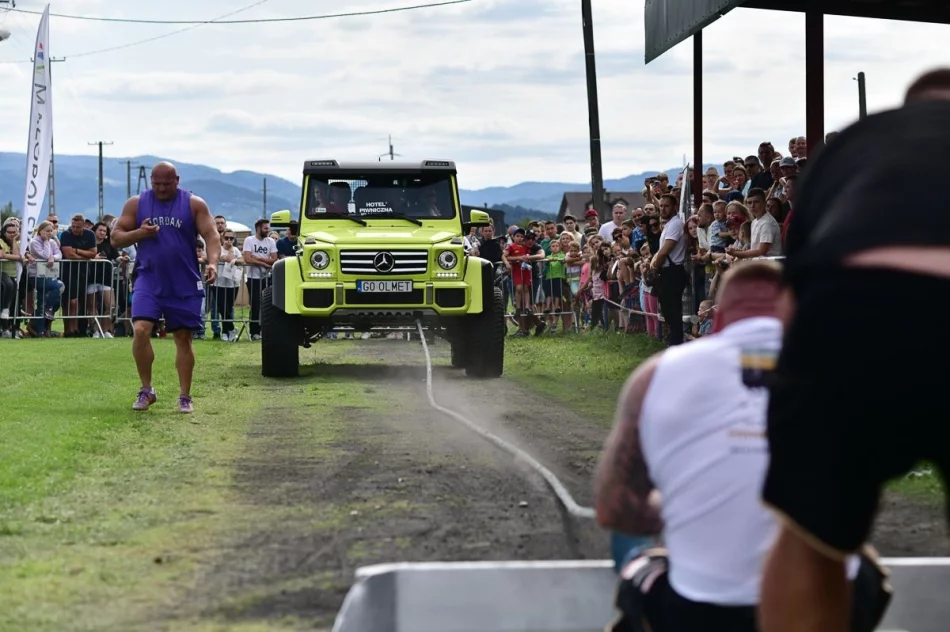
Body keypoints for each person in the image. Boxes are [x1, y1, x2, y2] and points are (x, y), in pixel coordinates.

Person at [594, 261, 891, 632]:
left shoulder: (657, 374)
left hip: (706, 613)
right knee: (862, 564)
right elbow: (862, 501)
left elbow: (614, 509)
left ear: (716, 325)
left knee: (638, 559)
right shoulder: (848, 372)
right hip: (823, 604)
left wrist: (688, 508)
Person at [758, 68, 950, 632]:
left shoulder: (861, 141)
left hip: (850, 308)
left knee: (809, 539)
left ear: (909, 105)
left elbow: (792, 295)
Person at [111, 161, 220, 414]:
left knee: (182, 337)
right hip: (149, 276)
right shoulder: (137, 203)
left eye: (166, 184)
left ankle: (184, 396)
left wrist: (213, 263)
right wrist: (139, 233)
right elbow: (116, 237)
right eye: (156, 183)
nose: (161, 189)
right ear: (151, 181)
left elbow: (211, 235)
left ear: (177, 180)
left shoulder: (194, 203)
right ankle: (146, 389)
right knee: (140, 329)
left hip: (183, 278)